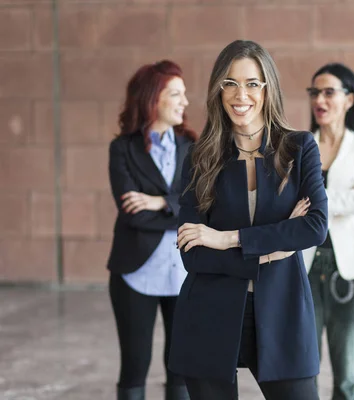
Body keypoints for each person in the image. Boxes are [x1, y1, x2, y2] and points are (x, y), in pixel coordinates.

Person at [168, 40, 327, 400]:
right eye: (230, 83)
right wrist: (274, 248)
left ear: (268, 87)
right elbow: (193, 252)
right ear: (218, 90)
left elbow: (314, 227)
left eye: (252, 83)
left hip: (283, 310)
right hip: (209, 313)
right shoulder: (200, 156)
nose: (241, 95)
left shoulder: (299, 148)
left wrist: (225, 238)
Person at [107, 60, 198, 400]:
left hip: (185, 273)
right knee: (134, 364)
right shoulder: (122, 148)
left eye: (183, 94)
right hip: (136, 273)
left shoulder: (193, 147)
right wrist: (178, 207)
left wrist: (159, 202)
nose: (184, 102)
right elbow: (132, 214)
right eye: (175, 94)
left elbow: (202, 204)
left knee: (181, 367)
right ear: (152, 99)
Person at [302, 63, 354, 400]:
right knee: (304, 367)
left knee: (346, 375)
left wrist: (314, 202)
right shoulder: (301, 145)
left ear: (349, 99)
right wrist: (336, 200)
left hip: (349, 269)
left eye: (328, 92)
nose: (320, 99)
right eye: (314, 93)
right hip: (305, 266)